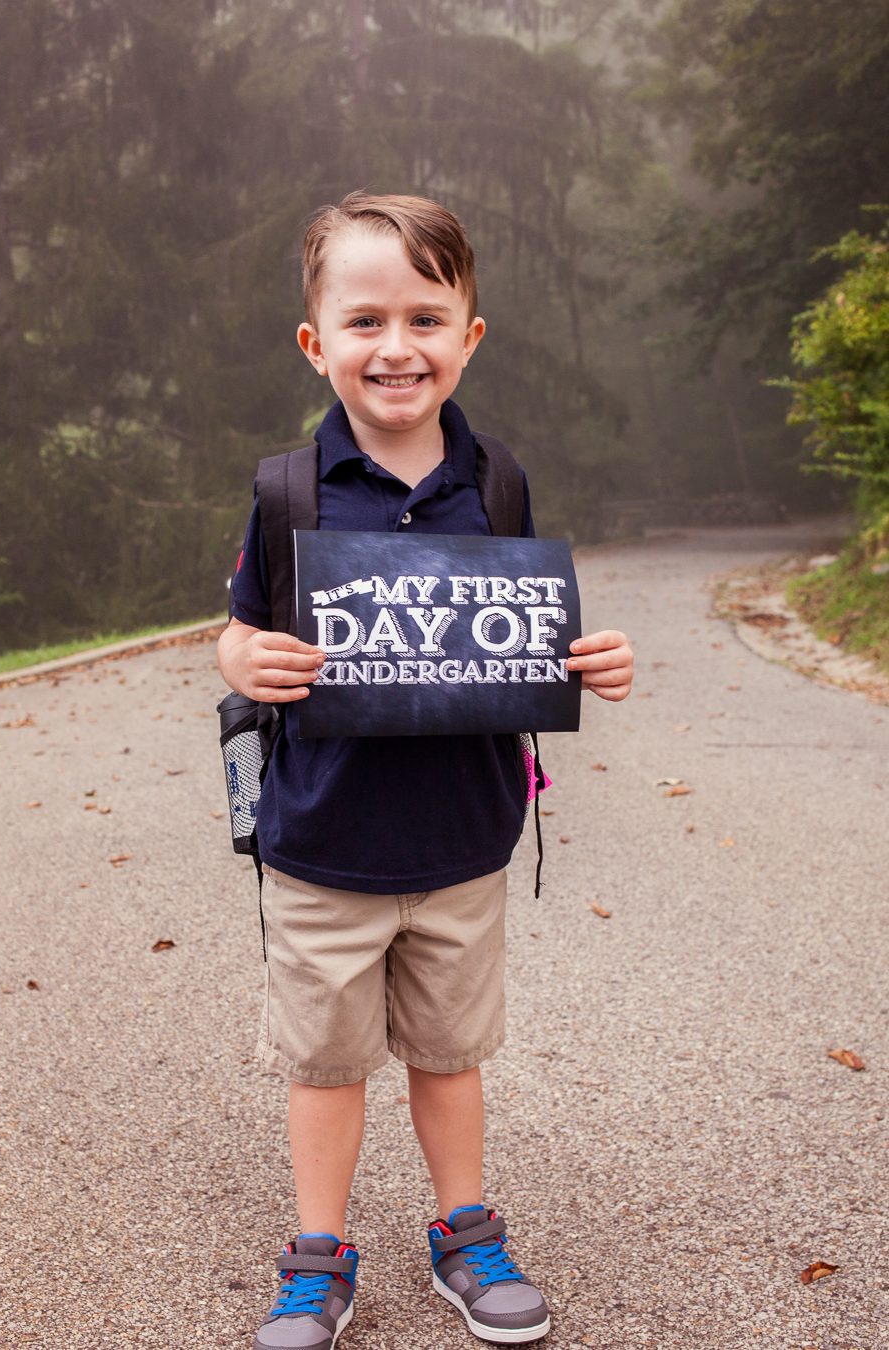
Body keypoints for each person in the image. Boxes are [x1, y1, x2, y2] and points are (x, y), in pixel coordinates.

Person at [217, 192, 634, 1349]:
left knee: (450, 1057)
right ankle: (318, 1254)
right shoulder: (287, 491)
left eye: (424, 318)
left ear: (468, 336)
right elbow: (237, 631)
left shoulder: (497, 481)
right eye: (364, 321)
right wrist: (244, 655)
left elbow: (523, 630)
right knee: (326, 1064)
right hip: (322, 844)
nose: (395, 347)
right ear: (316, 343)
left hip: (461, 842)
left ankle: (464, 1232)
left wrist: (590, 658)